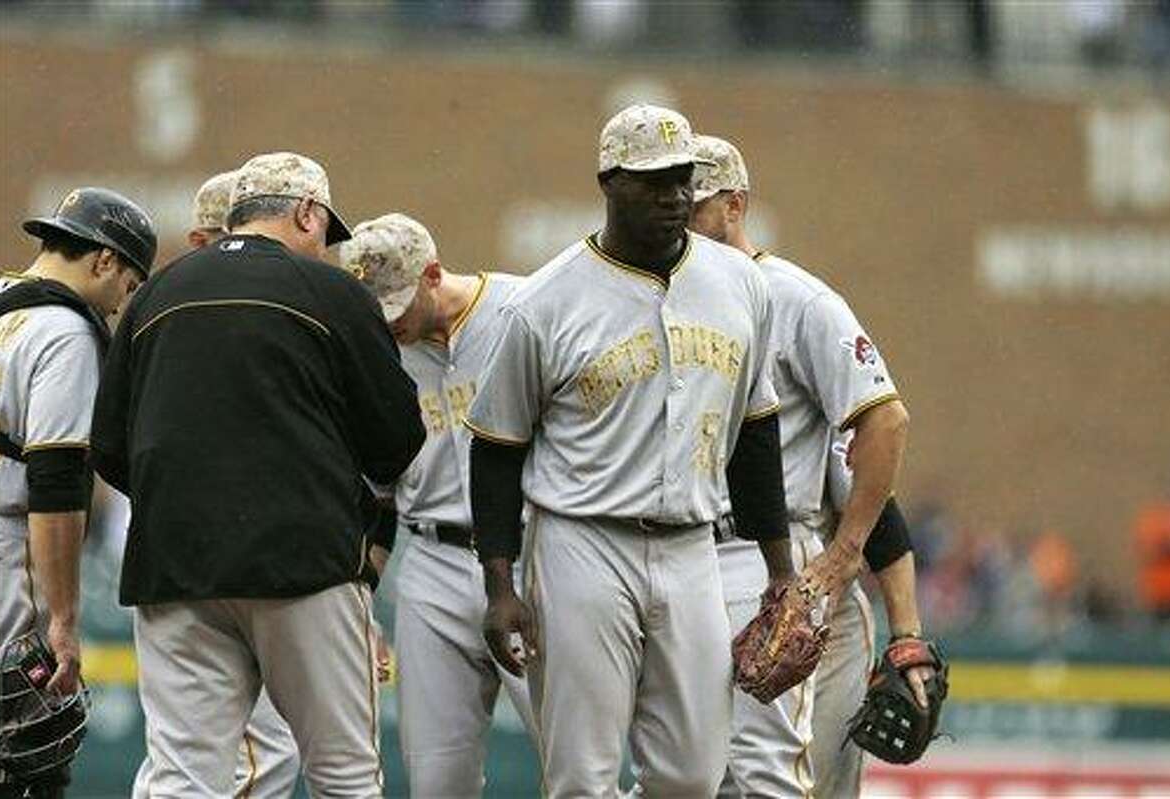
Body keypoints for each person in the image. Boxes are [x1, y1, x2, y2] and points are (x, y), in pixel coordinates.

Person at [465, 104, 795, 797]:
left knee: (695, 773)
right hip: (582, 543)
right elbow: (497, 448)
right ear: (608, 183)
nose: (674, 196)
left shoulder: (740, 285)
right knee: (582, 774)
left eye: (682, 180)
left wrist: (779, 569)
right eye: (653, 182)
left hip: (693, 546)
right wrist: (500, 584)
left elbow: (756, 433)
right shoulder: (544, 302)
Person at [90, 151, 425, 797]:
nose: (325, 249)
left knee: (183, 778)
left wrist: (192, 498)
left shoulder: (158, 291)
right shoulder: (332, 291)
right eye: (325, 233)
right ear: (306, 212)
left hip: (174, 564)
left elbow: (108, 446)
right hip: (306, 564)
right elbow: (396, 437)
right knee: (344, 775)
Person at [689, 134, 932, 798]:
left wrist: (896, 619)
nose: (676, 215)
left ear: (734, 205)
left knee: (799, 782)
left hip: (787, 567)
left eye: (694, 202)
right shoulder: (667, 307)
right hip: (684, 560)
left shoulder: (797, 301)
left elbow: (881, 432)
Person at [339, 212, 537, 797]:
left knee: (575, 758)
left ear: (432, 273)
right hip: (430, 556)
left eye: (397, 307)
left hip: (532, 554)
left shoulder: (520, 311)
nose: (390, 324)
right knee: (436, 779)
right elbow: (373, 490)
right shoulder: (373, 347)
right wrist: (360, 596)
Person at [127, 169, 301, 799]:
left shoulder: (162, 309)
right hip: (232, 561)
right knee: (252, 758)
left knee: (180, 763)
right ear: (204, 238)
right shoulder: (186, 311)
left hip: (174, 554)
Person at [0, 187, 155, 798]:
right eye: (131, 285)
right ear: (105, 260)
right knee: (22, 752)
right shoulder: (63, 332)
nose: (123, 304)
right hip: (9, 555)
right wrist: (63, 616)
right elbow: (57, 481)